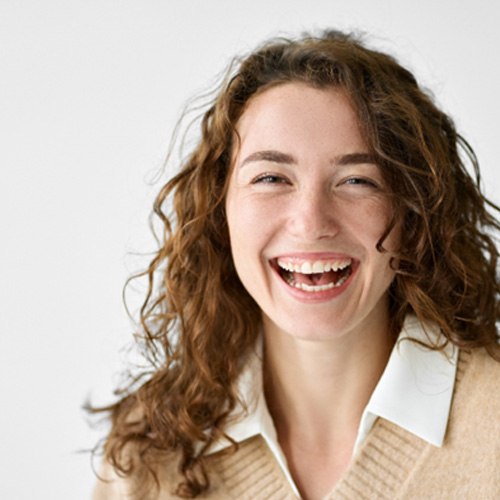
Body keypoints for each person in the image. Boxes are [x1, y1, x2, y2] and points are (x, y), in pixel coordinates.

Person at [91, 30, 500, 500]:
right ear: (219, 210)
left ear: (414, 212)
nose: (310, 223)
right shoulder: (149, 449)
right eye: (270, 177)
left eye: (357, 180)